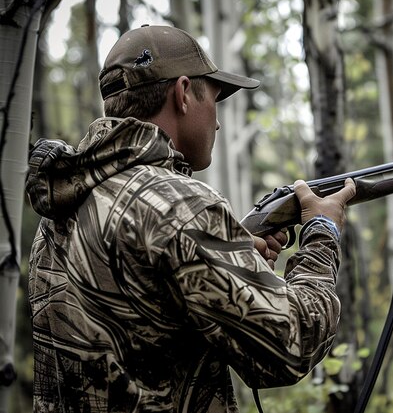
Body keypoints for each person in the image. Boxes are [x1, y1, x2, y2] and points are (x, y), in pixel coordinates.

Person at [26, 24, 355, 412]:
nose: (216, 122)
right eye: (214, 100)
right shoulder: (181, 207)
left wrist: (236, 259)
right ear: (183, 94)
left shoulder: (58, 212)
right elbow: (291, 344)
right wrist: (323, 231)